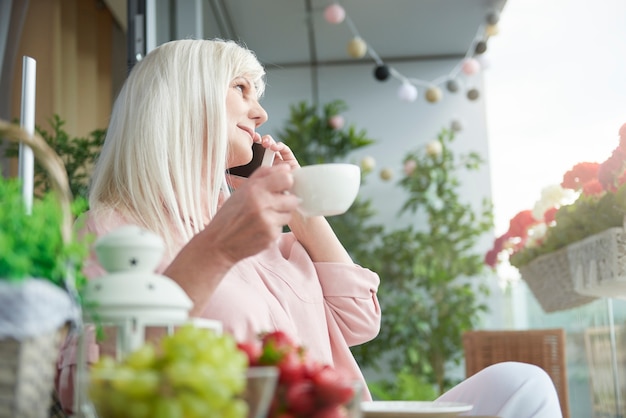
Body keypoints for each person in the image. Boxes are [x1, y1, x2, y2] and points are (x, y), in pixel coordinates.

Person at [54, 39, 562, 417]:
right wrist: (215, 250)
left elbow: (361, 320)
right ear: (185, 100)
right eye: (240, 88)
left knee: (521, 385)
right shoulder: (110, 228)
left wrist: (303, 209)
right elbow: (89, 387)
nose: (261, 111)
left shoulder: (261, 235)